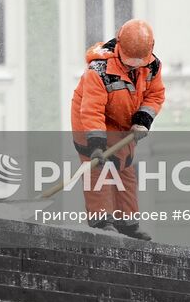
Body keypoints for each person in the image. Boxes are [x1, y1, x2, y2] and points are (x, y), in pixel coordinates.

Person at [69, 19, 166, 240]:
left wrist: (143, 119)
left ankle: (127, 223)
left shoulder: (151, 66)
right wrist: (95, 144)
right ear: (119, 45)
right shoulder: (99, 70)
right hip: (90, 121)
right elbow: (92, 109)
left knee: (125, 170)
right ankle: (101, 222)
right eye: (129, 61)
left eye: (137, 62)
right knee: (99, 170)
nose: (133, 66)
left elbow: (155, 95)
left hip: (123, 123)